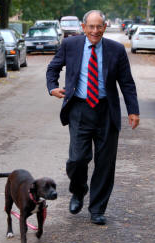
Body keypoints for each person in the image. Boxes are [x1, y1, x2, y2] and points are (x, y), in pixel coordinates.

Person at [46, 10, 140, 225]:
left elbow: (126, 82)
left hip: (107, 111)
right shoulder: (71, 45)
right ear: (83, 27)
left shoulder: (116, 50)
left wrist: (133, 110)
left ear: (105, 27)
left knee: (105, 163)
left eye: (99, 27)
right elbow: (53, 68)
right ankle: (78, 191)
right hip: (79, 109)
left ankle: (97, 208)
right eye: (91, 27)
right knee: (77, 159)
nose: (95, 31)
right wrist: (52, 88)